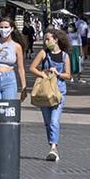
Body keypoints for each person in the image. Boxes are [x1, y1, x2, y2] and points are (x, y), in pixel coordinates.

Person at [30, 27, 74, 161]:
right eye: (45, 39)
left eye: (48, 39)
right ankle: (51, 143)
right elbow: (32, 67)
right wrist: (43, 73)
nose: (46, 41)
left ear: (56, 40)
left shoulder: (65, 56)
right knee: (48, 122)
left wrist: (58, 73)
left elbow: (68, 74)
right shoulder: (44, 53)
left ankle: (53, 148)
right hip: (45, 91)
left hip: (58, 91)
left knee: (54, 120)